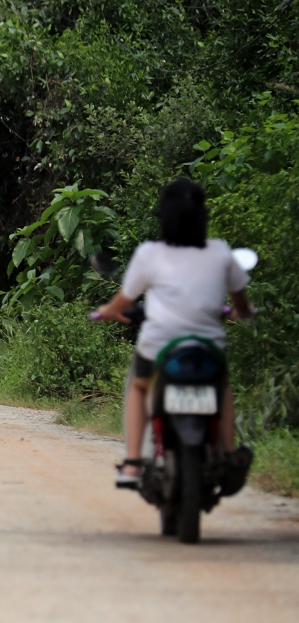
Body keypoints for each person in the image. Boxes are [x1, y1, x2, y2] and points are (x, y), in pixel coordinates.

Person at [95, 178, 255, 488]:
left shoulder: (149, 253)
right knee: (221, 386)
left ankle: (131, 464)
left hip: (160, 347)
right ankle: (229, 454)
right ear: (202, 216)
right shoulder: (221, 252)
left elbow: (123, 301)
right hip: (207, 348)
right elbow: (241, 302)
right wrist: (244, 313)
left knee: (139, 387)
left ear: (164, 216)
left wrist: (109, 312)